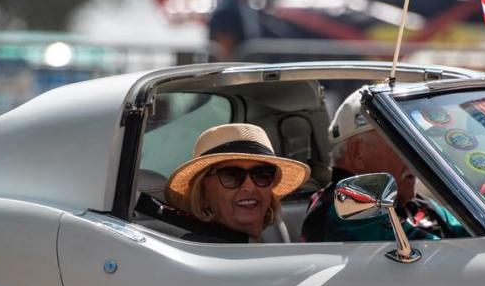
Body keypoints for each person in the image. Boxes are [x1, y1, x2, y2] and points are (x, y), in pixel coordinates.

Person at [300, 89, 467, 243]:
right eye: (403, 143)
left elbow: (481, 238)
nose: (417, 155)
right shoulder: (344, 204)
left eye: (419, 144)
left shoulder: (416, 204)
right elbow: (441, 257)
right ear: (358, 152)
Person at [165, 123, 310, 243]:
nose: (250, 186)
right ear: (203, 192)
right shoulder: (197, 255)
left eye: (262, 174)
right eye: (231, 175)